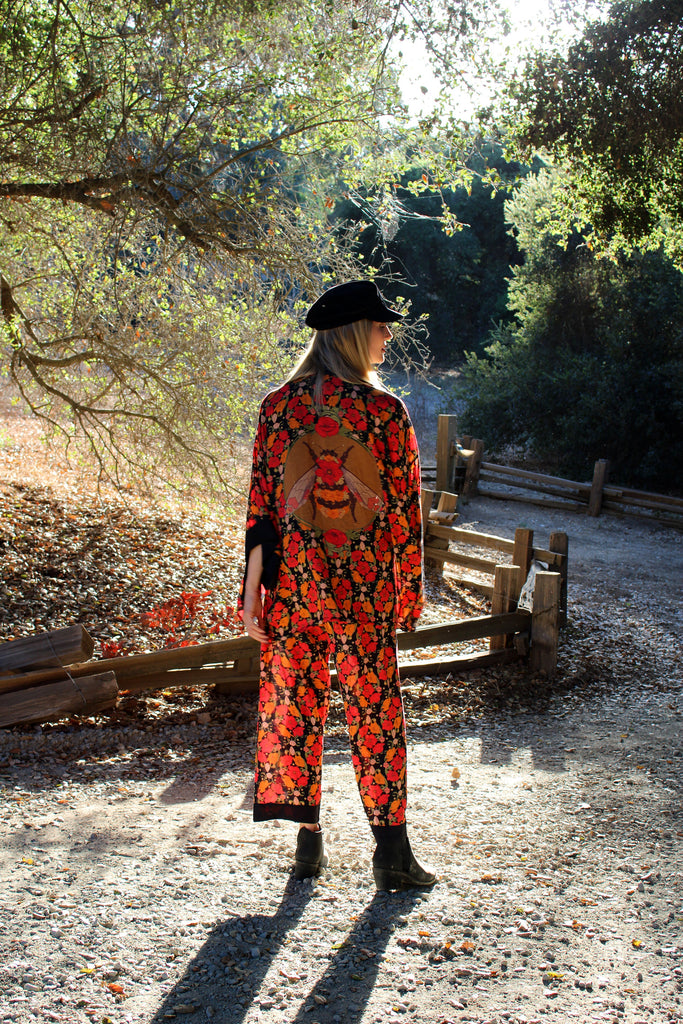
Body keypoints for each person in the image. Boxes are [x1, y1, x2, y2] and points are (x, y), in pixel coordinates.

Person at [240, 279, 436, 890]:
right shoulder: (385, 413)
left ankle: (308, 845)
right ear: (353, 333)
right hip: (364, 590)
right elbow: (403, 513)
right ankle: (392, 853)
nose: (388, 335)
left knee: (296, 705)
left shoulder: (278, 407)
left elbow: (262, 509)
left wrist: (251, 592)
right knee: (376, 713)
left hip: (294, 589)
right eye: (380, 325)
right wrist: (409, 590)